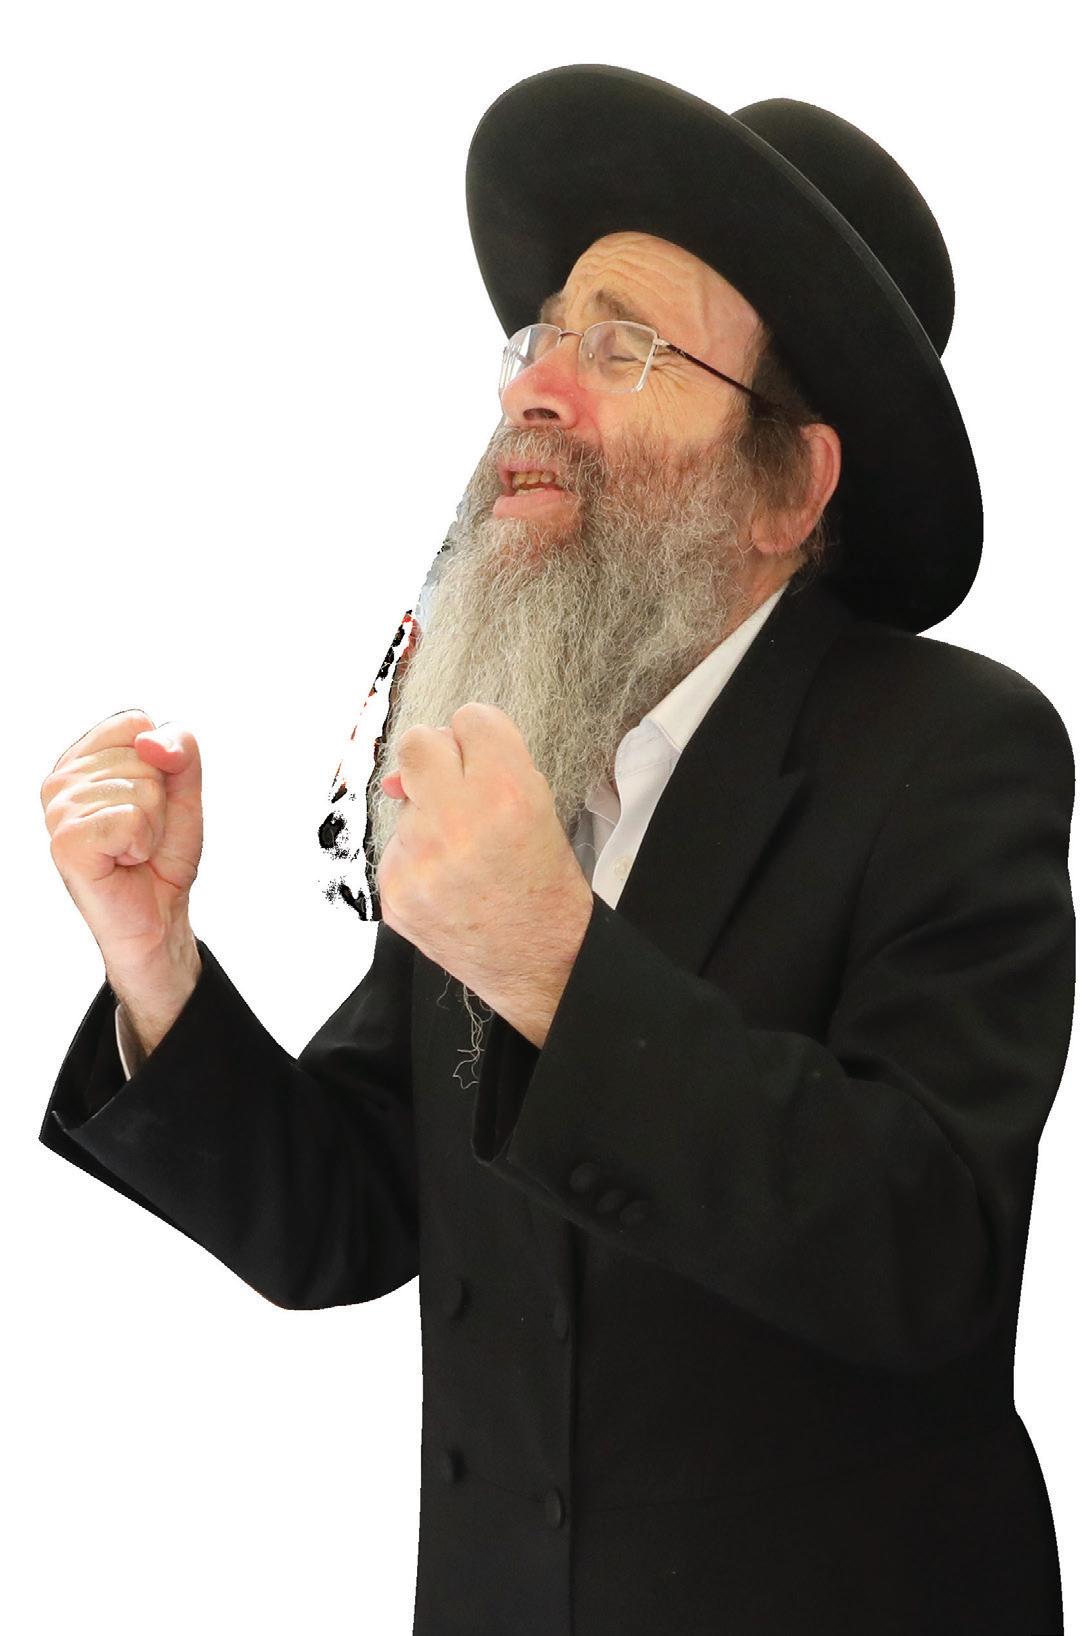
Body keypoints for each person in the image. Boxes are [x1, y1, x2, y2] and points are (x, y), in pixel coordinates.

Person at [38, 64, 1073, 1634]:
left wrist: (552, 960)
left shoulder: (953, 748)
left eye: (623, 347)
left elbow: (924, 1252)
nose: (534, 388)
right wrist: (155, 964)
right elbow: (349, 1211)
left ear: (787, 487)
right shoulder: (523, 739)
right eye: (541, 337)